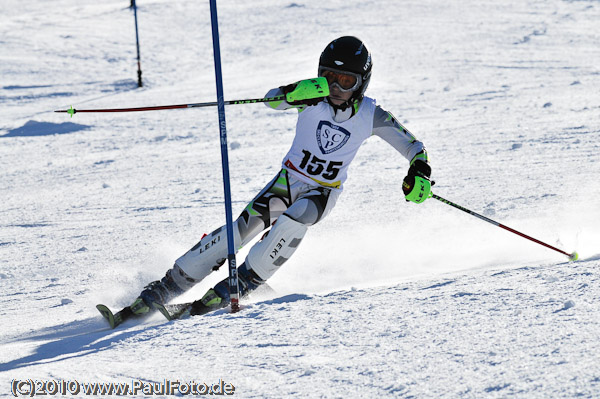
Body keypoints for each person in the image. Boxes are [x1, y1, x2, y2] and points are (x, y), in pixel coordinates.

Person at [127, 36, 432, 317]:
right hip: (288, 181)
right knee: (240, 232)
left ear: (361, 83)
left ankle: (245, 280)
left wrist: (419, 170)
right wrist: (293, 91)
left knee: (294, 220)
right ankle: (167, 285)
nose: (336, 89)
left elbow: (413, 146)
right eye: (329, 78)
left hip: (322, 192)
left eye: (346, 81)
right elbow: (272, 100)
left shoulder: (370, 114)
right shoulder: (312, 98)